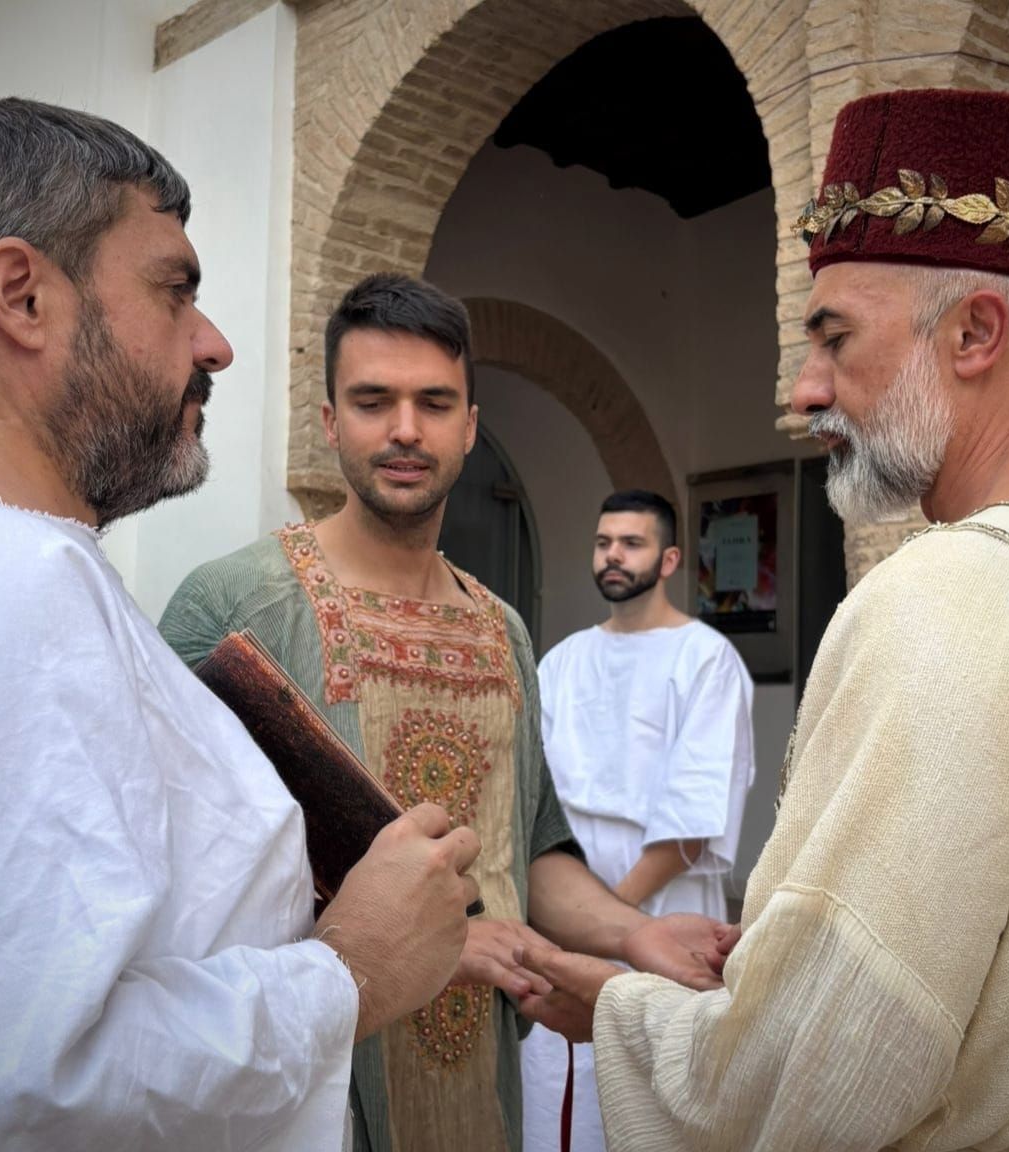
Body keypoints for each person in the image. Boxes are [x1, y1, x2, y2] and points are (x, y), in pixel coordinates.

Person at [0, 98, 485, 1152]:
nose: (214, 345)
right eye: (176, 289)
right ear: (24, 296)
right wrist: (350, 969)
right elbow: (9, 1096)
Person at [519, 88, 1009, 1150]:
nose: (806, 390)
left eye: (832, 337)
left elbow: (820, 1066)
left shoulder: (946, 596)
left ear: (976, 333)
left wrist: (618, 1011)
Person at [159, 273, 735, 1152]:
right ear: (328, 424)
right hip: (315, 1098)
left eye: (434, 403)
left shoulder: (500, 628)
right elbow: (183, 884)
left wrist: (638, 935)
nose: (403, 429)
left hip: (482, 1098)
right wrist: (415, 946)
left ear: (469, 426)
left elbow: (529, 850)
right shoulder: (232, 606)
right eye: (372, 401)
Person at [520, 489, 755, 1152]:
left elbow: (690, 824)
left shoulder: (707, 660)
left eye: (631, 543)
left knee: (646, 1102)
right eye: (603, 543)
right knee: (554, 1098)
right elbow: (533, 800)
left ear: (670, 558)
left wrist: (600, 926)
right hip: (563, 895)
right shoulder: (561, 661)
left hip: (660, 911)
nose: (613, 556)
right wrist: (567, 917)